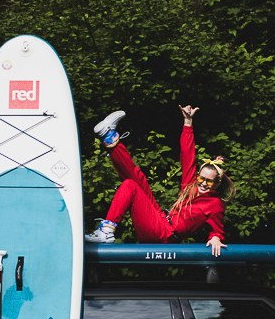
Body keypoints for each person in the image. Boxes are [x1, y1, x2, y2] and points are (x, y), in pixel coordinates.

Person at [85, 105, 236, 256]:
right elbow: (188, 156)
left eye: (209, 181)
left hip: (164, 235)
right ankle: (109, 137)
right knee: (137, 180)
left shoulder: (215, 204)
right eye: (201, 178)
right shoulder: (191, 186)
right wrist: (188, 123)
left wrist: (216, 237)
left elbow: (217, 228)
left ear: (217, 184)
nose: (203, 183)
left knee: (130, 186)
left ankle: (106, 231)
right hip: (160, 219)